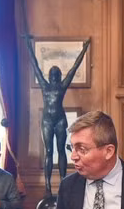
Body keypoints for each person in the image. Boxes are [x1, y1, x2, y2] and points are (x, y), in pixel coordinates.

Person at [25, 35, 91, 197]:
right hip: (47, 121)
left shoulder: (62, 85)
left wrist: (84, 49)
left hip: (60, 120)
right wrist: (28, 44)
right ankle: (47, 187)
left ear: (59, 76)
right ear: (49, 76)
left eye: (56, 74)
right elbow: (35, 65)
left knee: (61, 151)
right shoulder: (44, 85)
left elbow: (74, 68)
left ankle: (63, 184)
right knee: (49, 152)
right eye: (52, 74)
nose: (54, 76)